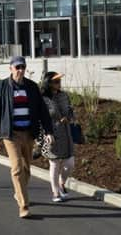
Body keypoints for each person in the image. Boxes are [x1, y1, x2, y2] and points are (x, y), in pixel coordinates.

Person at [0, 56, 54, 218]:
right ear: (10, 68)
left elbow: (42, 111)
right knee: (17, 168)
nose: (20, 70)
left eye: (22, 67)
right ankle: (23, 206)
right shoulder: (2, 86)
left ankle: (19, 192)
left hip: (28, 133)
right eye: (17, 67)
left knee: (27, 170)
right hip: (11, 134)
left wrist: (48, 131)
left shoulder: (32, 87)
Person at [40, 71, 75, 203]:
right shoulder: (43, 99)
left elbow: (71, 110)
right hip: (51, 134)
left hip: (66, 133)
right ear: (48, 83)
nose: (59, 83)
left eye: (59, 81)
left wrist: (69, 117)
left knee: (69, 164)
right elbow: (41, 117)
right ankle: (55, 192)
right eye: (56, 81)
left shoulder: (64, 96)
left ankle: (62, 183)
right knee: (54, 163)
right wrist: (46, 133)